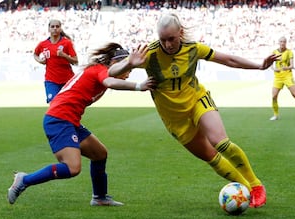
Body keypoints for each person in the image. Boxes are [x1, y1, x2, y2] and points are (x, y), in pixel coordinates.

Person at [108, 13, 280, 208]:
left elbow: (229, 60)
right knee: (211, 157)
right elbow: (111, 73)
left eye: (171, 39)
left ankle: (256, 185)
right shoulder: (150, 53)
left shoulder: (193, 49)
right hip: (174, 118)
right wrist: (129, 63)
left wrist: (259, 66)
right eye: (163, 39)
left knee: (220, 143)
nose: (167, 44)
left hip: (197, 100)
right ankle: (245, 188)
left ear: (180, 33)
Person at [8, 42, 156, 206]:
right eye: (127, 69)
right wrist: (139, 86)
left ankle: (99, 198)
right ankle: (24, 179)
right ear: (115, 63)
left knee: (100, 154)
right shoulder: (100, 70)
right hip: (59, 120)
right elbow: (110, 83)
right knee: (72, 168)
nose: (128, 74)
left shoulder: (98, 70)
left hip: (68, 121)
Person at [34, 19, 79, 103]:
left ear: (60, 29)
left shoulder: (67, 43)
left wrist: (64, 55)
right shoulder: (43, 44)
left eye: (57, 26)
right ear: (49, 29)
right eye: (52, 26)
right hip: (51, 80)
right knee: (53, 104)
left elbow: (76, 61)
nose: (55, 28)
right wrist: (40, 60)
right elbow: (35, 54)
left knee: (66, 105)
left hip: (67, 80)